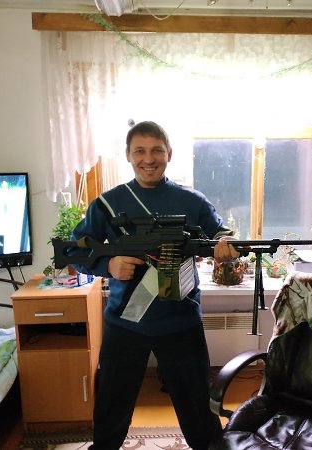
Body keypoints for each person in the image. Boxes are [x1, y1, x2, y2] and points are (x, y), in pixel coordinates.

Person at [71, 121, 239, 450]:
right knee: (111, 409)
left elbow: (221, 234)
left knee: (198, 409)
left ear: (169, 154)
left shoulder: (192, 201)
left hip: (181, 322)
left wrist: (227, 245)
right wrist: (108, 265)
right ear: (128, 155)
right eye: (140, 151)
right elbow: (74, 251)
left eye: (156, 151)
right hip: (125, 322)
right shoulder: (106, 204)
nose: (148, 159)